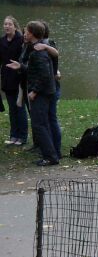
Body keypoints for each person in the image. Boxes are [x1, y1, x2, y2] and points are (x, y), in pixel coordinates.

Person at [6, 21, 59, 166]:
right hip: (43, 92)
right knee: (42, 124)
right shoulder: (35, 48)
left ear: (31, 33)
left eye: (26, 32)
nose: (24, 34)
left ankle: (50, 157)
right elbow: (34, 70)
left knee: (40, 125)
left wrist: (34, 91)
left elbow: (45, 75)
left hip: (41, 94)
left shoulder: (38, 51)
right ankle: (50, 154)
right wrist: (21, 66)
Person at [34, 21, 61, 158]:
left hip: (50, 88)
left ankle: (55, 150)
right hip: (48, 86)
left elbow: (56, 55)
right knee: (46, 119)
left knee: (51, 118)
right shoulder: (36, 46)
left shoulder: (47, 44)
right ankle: (48, 148)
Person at [0, 16, 27, 145]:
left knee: (19, 106)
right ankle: (13, 135)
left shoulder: (21, 40)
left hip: (19, 77)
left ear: (15, 26)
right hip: (6, 78)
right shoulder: (2, 41)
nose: (7, 26)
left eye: (9, 24)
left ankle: (22, 136)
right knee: (11, 107)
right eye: (5, 24)